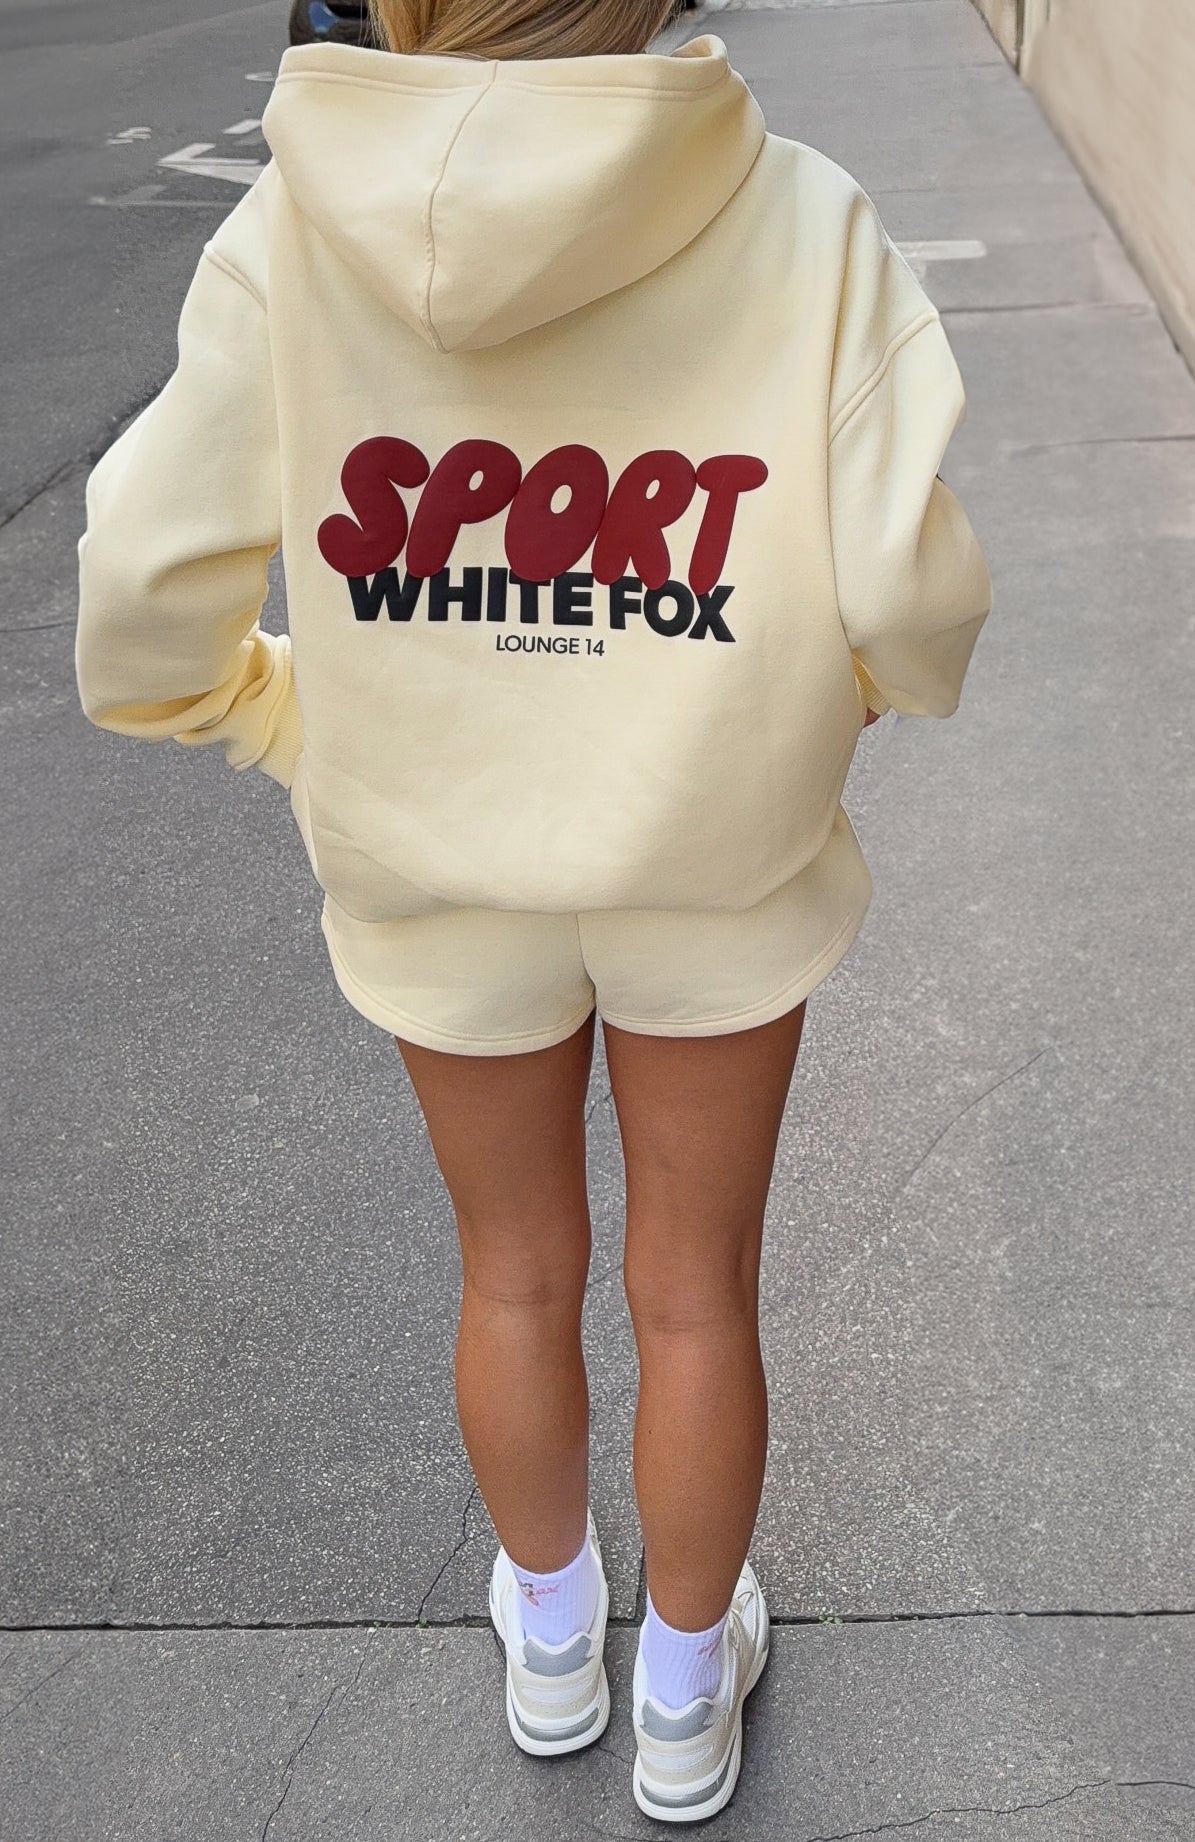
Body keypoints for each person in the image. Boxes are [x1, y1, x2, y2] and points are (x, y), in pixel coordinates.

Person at [74, 0, 992, 1821]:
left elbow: (136, 601)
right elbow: (913, 590)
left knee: (513, 1268)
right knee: (694, 1293)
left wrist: (292, 725)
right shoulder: (802, 222)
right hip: (715, 865)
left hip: (438, 872)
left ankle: (556, 1637)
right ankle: (685, 1689)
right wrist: (847, 697)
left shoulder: (290, 236)